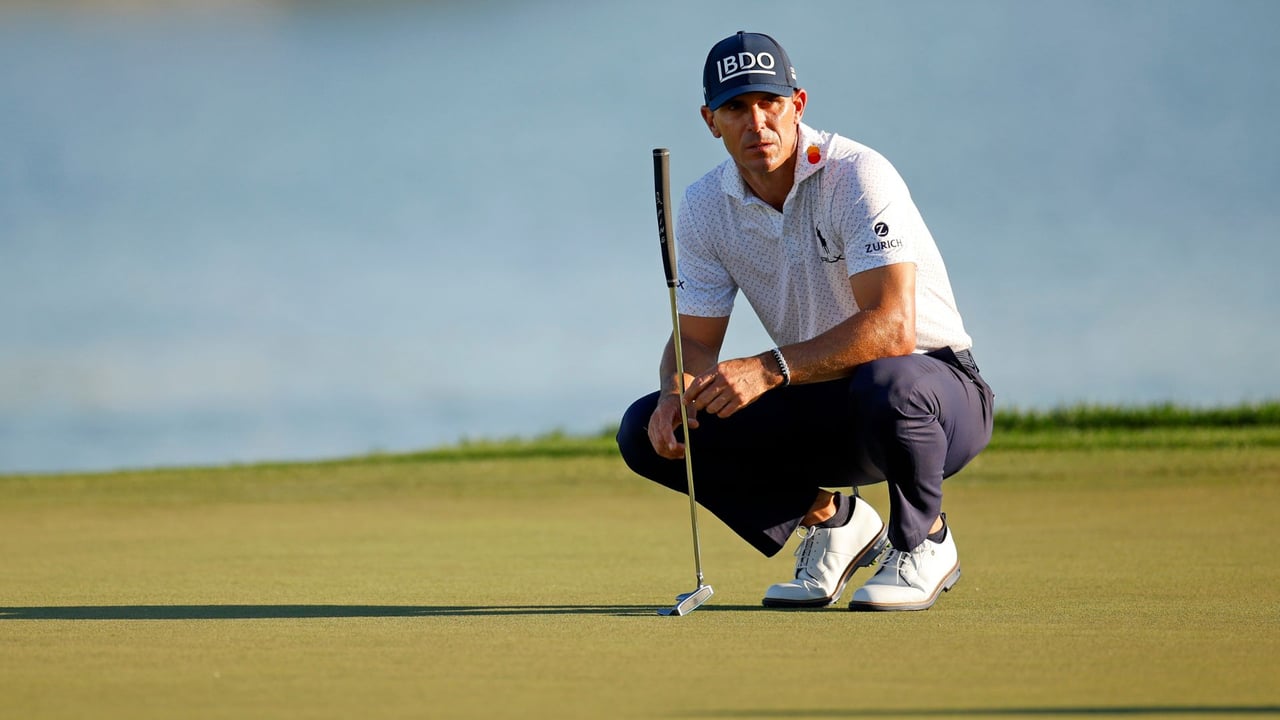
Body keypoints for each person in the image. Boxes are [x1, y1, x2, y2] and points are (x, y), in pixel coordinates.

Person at [616, 31, 994, 611]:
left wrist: (768, 367)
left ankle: (925, 538)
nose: (757, 122)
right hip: (821, 397)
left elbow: (894, 328)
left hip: (937, 395)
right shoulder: (704, 206)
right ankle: (833, 521)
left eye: (770, 103)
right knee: (647, 428)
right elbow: (694, 338)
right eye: (736, 107)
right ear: (709, 120)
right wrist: (677, 391)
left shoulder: (857, 175)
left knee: (888, 381)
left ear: (799, 104)